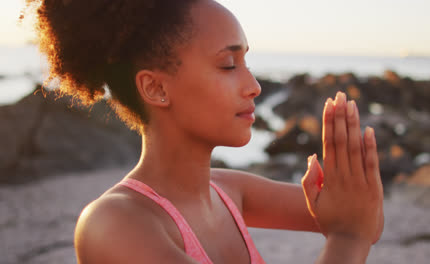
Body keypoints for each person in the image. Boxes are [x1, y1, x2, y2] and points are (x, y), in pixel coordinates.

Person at [25, 0, 384, 263]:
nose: (255, 86)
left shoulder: (230, 191)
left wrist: (354, 200)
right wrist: (348, 237)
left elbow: (365, 218)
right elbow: (355, 227)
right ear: (156, 88)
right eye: (228, 65)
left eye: (245, 61)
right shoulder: (113, 224)